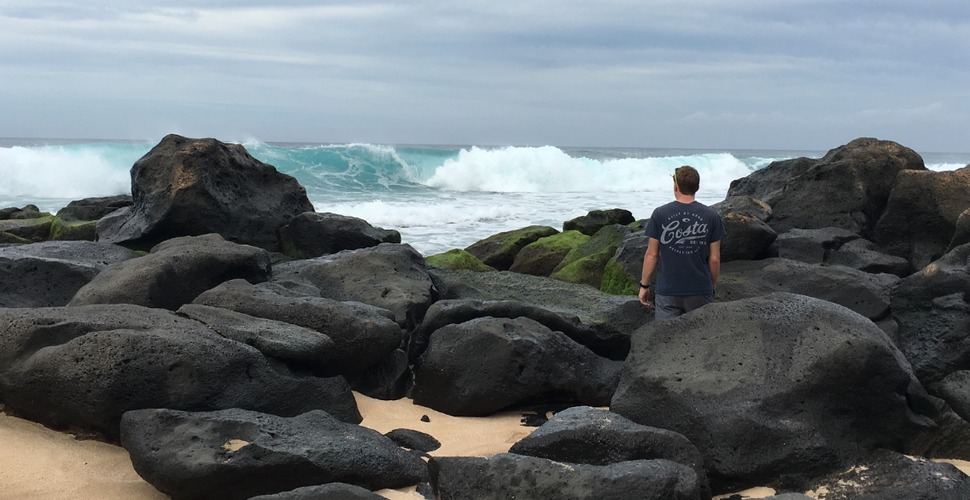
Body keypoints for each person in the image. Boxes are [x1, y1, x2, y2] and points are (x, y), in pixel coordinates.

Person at [638, 165, 725, 320]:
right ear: (697, 187)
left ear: (676, 186)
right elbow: (714, 259)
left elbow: (651, 255)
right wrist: (712, 284)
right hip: (700, 290)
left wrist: (644, 286)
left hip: (668, 291)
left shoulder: (660, 213)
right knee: (699, 338)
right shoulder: (711, 216)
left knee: (667, 339)